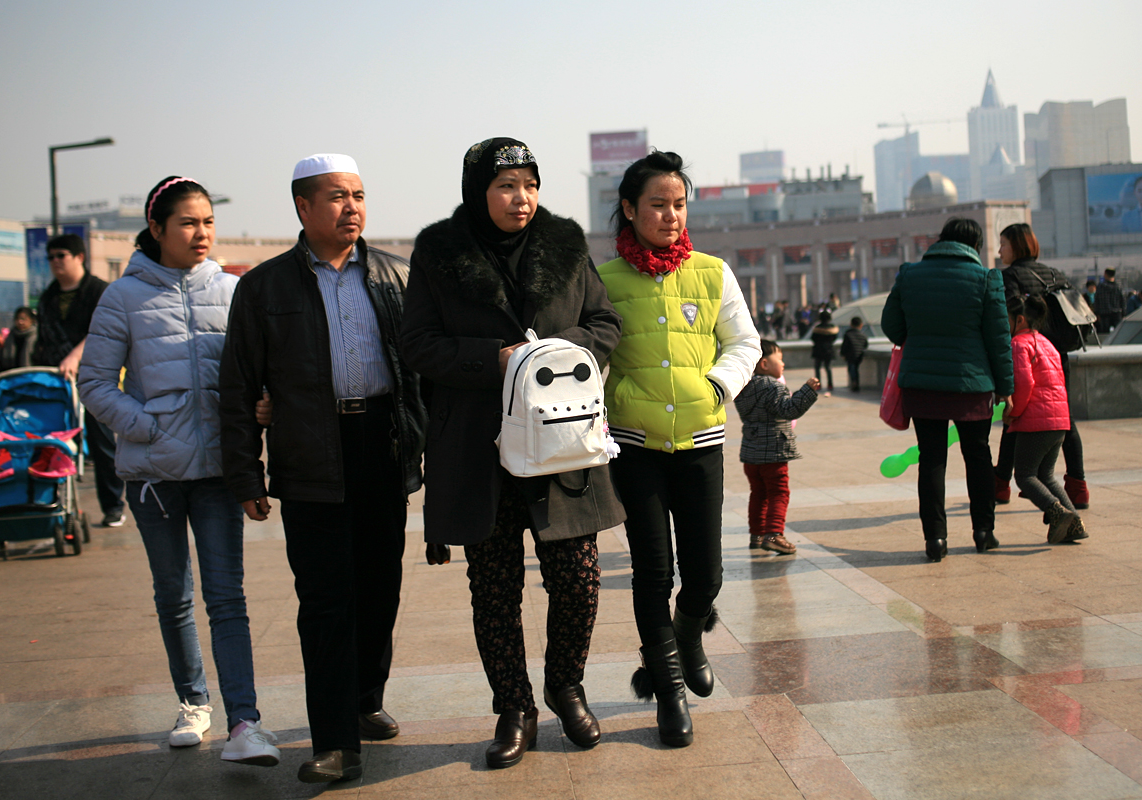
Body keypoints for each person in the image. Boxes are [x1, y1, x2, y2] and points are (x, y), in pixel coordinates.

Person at [400, 137, 624, 769]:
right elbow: (416, 343)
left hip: (560, 443)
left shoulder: (566, 245)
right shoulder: (439, 254)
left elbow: (605, 324)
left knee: (578, 580)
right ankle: (514, 707)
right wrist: (493, 360)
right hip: (477, 446)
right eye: (505, 186)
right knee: (493, 586)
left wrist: (550, 356)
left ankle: (565, 685)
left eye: (529, 184)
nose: (520, 198)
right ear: (478, 191)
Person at [219, 154, 425, 784]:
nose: (352, 207)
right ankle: (334, 739)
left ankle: (364, 699)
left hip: (382, 446)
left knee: (380, 589)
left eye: (359, 194)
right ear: (303, 208)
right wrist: (245, 475)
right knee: (326, 601)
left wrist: (431, 454)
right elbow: (237, 386)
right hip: (310, 453)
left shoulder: (395, 274)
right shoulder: (265, 287)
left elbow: (420, 372)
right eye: (337, 196)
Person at [78, 176, 280, 767]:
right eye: (188, 223)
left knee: (227, 598)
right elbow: (93, 382)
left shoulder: (232, 290)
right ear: (157, 229)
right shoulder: (123, 297)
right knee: (175, 596)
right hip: (153, 478)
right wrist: (146, 428)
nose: (201, 233)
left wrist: (260, 408)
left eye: (208, 222)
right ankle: (194, 702)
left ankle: (245, 722)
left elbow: (252, 374)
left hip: (220, 473)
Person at [596, 150, 759, 747]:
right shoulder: (603, 279)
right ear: (630, 209)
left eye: (679, 204)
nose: (670, 215)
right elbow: (592, 358)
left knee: (705, 576)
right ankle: (669, 693)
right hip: (634, 449)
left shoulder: (713, 273)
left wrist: (716, 384)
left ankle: (689, 635)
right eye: (658, 205)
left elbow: (744, 341)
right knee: (652, 572)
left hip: (701, 444)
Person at [881, 217, 1013, 562]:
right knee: (978, 455)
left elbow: (892, 327)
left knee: (932, 460)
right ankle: (984, 532)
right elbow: (999, 340)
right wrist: (1006, 388)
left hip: (923, 384)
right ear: (975, 245)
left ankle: (935, 540)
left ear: (941, 240)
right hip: (972, 384)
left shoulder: (909, 274)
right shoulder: (986, 279)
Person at [993, 223, 1090, 509]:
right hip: (1056, 356)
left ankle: (1000, 484)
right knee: (1063, 417)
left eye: (1004, 244)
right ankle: (1078, 485)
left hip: (1025, 354)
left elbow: (1006, 321)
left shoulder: (1008, 277)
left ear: (1017, 247)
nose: (1000, 250)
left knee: (1014, 417)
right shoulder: (1056, 274)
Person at [36, 233, 126, 527]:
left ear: (79, 257)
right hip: (56, 383)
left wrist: (75, 356)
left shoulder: (100, 291)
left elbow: (104, 332)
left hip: (95, 379)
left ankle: (113, 506)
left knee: (101, 443)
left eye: (61, 255)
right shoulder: (48, 297)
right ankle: (50, 507)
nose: (55, 263)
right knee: (50, 445)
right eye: (50, 257)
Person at [1004, 294, 1088, 544]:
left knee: (1025, 476)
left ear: (1019, 320)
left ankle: (1056, 512)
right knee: (1047, 475)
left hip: (1035, 421)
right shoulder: (1046, 343)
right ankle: (1075, 523)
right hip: (1059, 420)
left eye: (1006, 320)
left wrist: (1014, 412)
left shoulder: (1019, 344)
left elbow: (1024, 382)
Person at [735, 340, 820, 555]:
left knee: (758, 493)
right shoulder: (773, 386)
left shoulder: (743, 387)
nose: (782, 363)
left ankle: (757, 534)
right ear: (764, 363)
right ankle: (774, 534)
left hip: (751, 453)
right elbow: (789, 410)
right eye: (779, 359)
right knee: (778, 493)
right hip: (773, 452)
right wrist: (807, 391)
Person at [809, 311, 838, 395]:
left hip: (818, 350)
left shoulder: (817, 328)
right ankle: (830, 384)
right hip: (829, 350)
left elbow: (813, 338)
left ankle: (818, 385)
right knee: (828, 367)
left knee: (817, 368)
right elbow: (834, 338)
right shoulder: (832, 328)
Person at [839, 316, 869, 392]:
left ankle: (854, 383)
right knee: (856, 369)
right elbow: (865, 345)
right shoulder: (863, 335)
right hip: (859, 356)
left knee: (852, 370)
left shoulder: (848, 334)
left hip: (850, 356)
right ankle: (856, 384)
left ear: (851, 324)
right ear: (861, 325)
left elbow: (844, 346)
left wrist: (843, 354)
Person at [1094, 268, 1125, 334]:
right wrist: (1123, 313)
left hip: (1104, 313)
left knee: (1104, 334)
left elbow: (1097, 300)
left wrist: (1096, 313)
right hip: (1117, 313)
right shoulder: (1118, 286)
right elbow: (1122, 301)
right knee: (1118, 333)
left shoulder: (1101, 286)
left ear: (1105, 274)